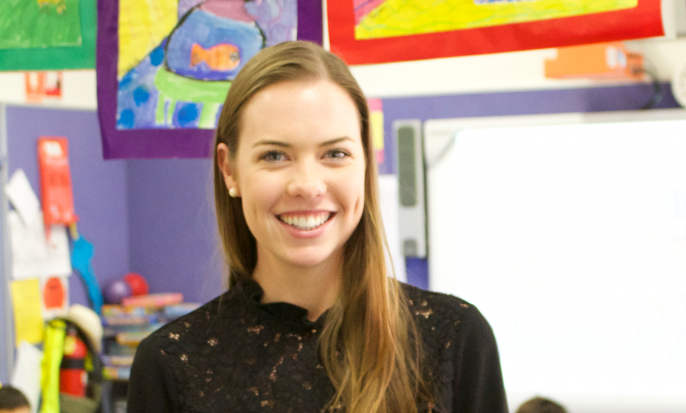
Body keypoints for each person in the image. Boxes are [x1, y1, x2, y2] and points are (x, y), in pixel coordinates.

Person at [127, 40, 507, 413]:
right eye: (274, 155)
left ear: (365, 164)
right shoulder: (170, 364)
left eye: (335, 154)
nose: (307, 185)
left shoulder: (455, 339)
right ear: (230, 170)